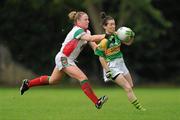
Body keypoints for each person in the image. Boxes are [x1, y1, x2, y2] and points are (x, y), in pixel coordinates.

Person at [20, 11, 108, 109]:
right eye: (85, 19)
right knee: (82, 78)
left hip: (67, 59)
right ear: (78, 21)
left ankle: (28, 84)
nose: (88, 21)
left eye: (88, 19)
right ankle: (97, 102)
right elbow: (90, 38)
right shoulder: (77, 30)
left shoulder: (87, 32)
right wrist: (106, 35)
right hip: (64, 58)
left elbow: (95, 48)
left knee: (53, 80)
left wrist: (103, 51)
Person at [94, 12, 146, 111]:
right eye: (111, 24)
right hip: (111, 66)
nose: (113, 26)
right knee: (128, 88)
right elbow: (101, 57)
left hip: (121, 63)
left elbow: (128, 43)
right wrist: (107, 70)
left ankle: (105, 97)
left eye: (114, 24)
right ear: (105, 26)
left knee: (131, 85)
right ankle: (140, 109)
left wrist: (131, 36)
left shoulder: (117, 34)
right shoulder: (104, 41)